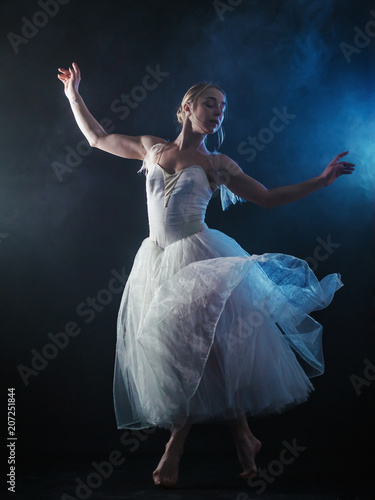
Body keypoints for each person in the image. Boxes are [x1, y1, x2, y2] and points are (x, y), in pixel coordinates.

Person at [58, 62, 355, 488]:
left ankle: (173, 451)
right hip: (158, 260)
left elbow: (268, 198)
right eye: (209, 104)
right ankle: (244, 437)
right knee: (203, 354)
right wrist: (74, 95)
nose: (217, 112)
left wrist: (321, 181)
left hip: (200, 260)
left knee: (197, 352)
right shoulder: (152, 148)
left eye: (223, 107)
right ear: (186, 108)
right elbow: (98, 138)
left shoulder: (218, 164)